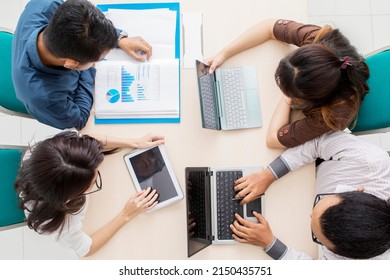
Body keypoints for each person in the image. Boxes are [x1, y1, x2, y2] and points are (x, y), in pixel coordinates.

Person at [206, 19, 369, 148]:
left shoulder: (333, 113)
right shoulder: (317, 39)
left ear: (308, 99)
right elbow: (269, 27)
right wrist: (224, 53)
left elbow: (273, 139)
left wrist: (287, 95)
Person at [230, 131, 390, 259]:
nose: (311, 214)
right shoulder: (370, 162)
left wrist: (269, 243)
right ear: (358, 191)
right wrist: (269, 174)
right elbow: (318, 141)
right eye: (322, 200)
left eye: (317, 236)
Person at [14, 130, 165, 257]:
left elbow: (83, 141)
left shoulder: (49, 150)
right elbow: (86, 249)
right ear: (70, 199)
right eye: (93, 182)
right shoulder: (60, 225)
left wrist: (134, 143)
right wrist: (126, 214)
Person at [12, 0, 152, 130]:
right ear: (71, 64)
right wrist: (89, 71)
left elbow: (82, 21)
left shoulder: (47, 4)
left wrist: (118, 38)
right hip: (45, 107)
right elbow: (79, 120)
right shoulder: (46, 98)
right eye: (100, 58)